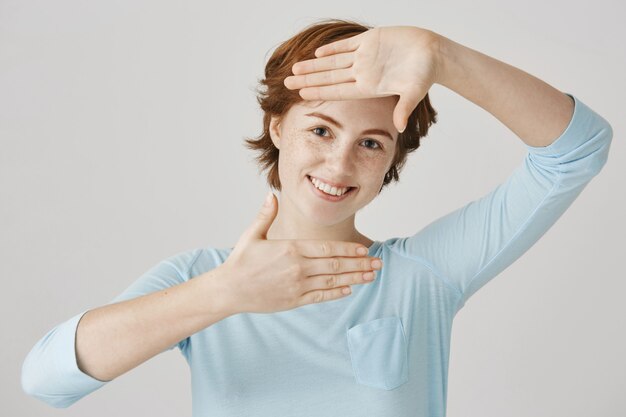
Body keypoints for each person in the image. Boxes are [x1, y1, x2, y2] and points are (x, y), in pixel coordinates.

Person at [21, 18, 612, 416]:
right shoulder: (201, 278)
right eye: (321, 129)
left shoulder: (424, 274)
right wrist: (225, 293)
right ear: (278, 128)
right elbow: (46, 381)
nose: (341, 161)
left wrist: (442, 57)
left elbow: (577, 150)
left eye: (373, 143)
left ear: (391, 163)